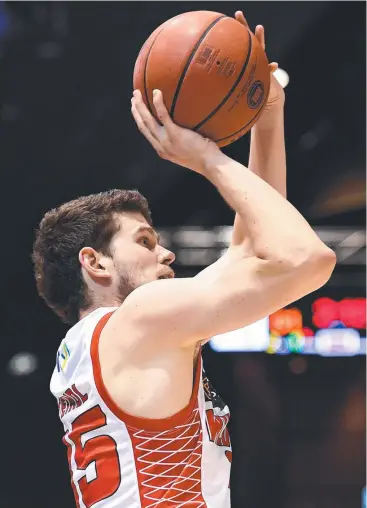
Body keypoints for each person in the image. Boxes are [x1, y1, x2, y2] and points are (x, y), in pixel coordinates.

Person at [32, 15, 336, 508]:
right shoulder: (141, 318)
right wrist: (207, 159)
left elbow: (250, 252)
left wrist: (267, 116)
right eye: (146, 242)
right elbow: (306, 259)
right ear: (96, 263)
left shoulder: (98, 345)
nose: (166, 252)